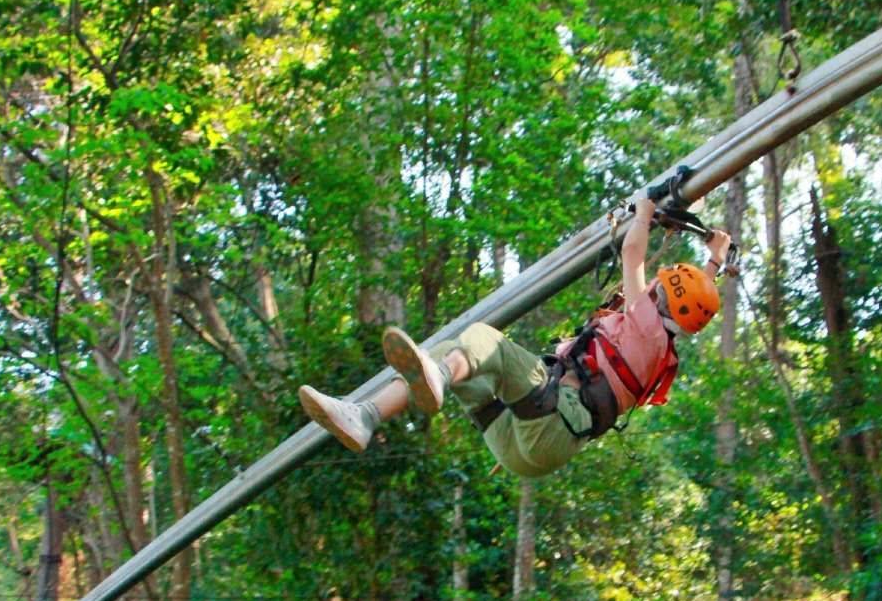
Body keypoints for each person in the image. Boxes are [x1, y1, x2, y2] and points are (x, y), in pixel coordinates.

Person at [298, 192, 732, 478]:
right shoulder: (662, 346)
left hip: (552, 421)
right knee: (452, 354)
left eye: (662, 287)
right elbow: (694, 301)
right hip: (528, 450)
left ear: (663, 301)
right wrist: (715, 261)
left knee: (486, 341)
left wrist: (643, 210)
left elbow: (634, 252)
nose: (654, 285)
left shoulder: (647, 326)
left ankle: (434, 378)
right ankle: (366, 416)